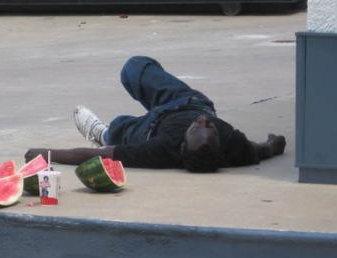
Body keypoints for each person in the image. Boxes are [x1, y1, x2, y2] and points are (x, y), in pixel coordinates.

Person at [25, 56, 286, 172]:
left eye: (198, 127)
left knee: (119, 130)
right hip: (189, 101)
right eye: (210, 125)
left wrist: (45, 153)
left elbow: (98, 156)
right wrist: (276, 143)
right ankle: (113, 131)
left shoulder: (161, 150)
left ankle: (103, 133)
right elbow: (265, 148)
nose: (204, 121)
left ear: (182, 145)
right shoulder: (234, 144)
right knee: (134, 67)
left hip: (152, 128)